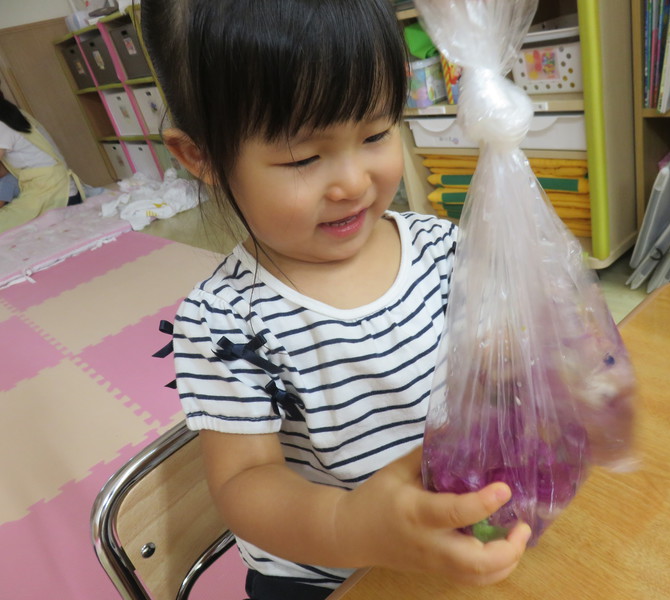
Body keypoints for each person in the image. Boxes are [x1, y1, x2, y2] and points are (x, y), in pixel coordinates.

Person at [140, 1, 531, 598]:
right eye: (303, 157)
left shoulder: (440, 248)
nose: (352, 182)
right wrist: (351, 526)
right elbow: (245, 481)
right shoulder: (225, 320)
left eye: (375, 134)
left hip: (454, 537)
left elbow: (493, 358)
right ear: (203, 157)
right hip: (326, 574)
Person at [0, 92, 83, 233]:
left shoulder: (3, 125)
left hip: (54, 193)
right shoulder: (13, 114)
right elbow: (6, 170)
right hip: (53, 187)